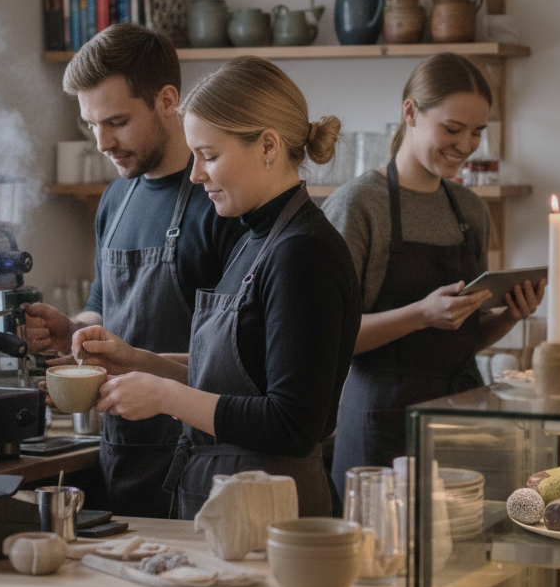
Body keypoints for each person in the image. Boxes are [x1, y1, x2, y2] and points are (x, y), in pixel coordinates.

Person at [70, 56, 362, 519]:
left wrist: (164, 396)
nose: (195, 174)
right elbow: (235, 379)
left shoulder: (304, 253)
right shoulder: (256, 238)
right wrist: (137, 361)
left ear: (268, 145)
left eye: (208, 156)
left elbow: (291, 423)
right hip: (236, 501)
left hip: (275, 513)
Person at [24, 24, 246, 519]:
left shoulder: (220, 202)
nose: (102, 142)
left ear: (167, 100)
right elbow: (103, 306)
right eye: (91, 125)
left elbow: (238, 361)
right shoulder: (116, 198)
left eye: (117, 122)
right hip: (122, 450)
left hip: (201, 458)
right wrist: (71, 332)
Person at [322, 53, 544, 501]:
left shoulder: (470, 210)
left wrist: (508, 316)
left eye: (477, 131)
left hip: (460, 416)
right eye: (453, 128)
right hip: (381, 421)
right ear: (410, 112)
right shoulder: (358, 205)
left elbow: (457, 341)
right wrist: (421, 314)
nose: (466, 144)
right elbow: (328, 338)